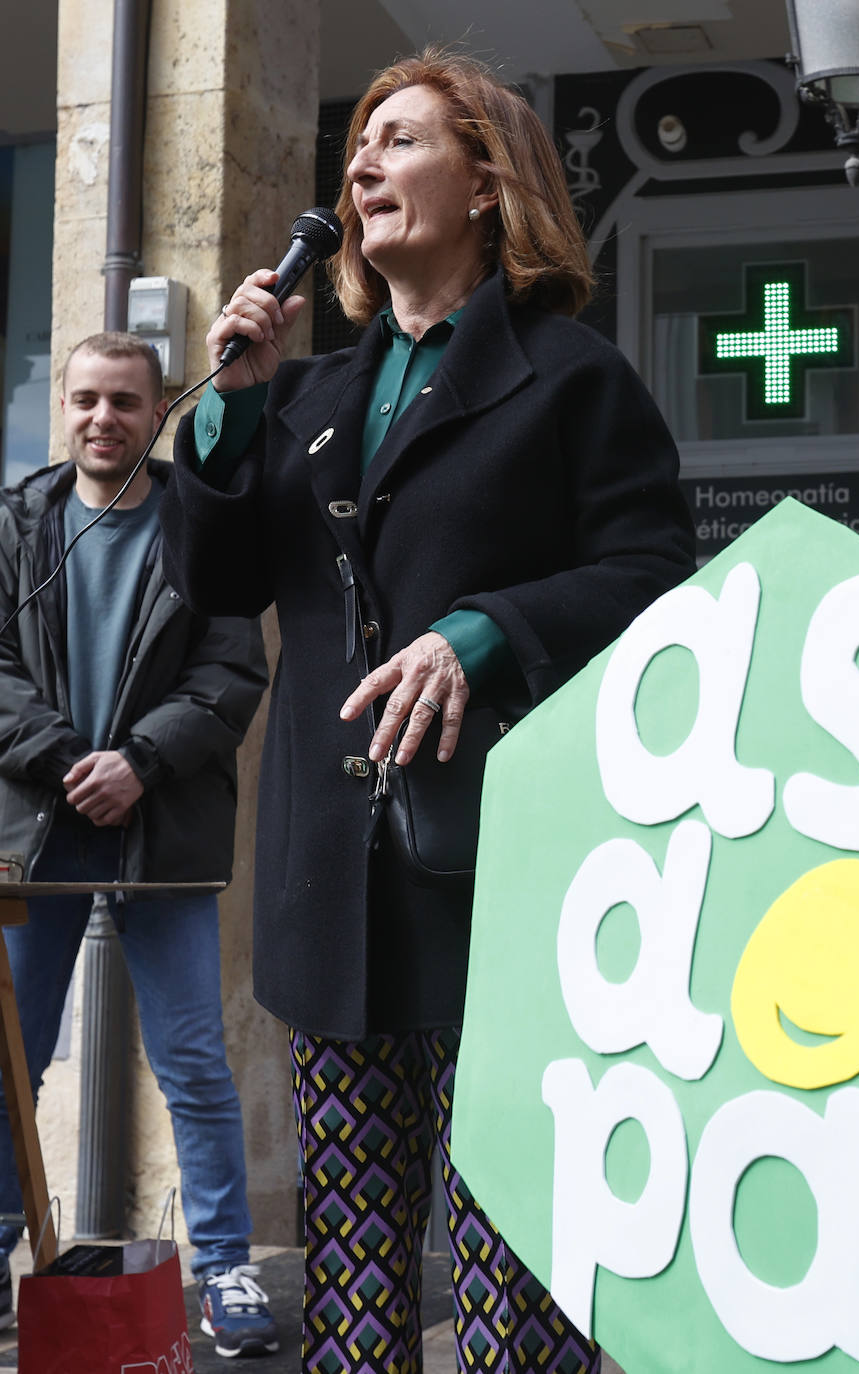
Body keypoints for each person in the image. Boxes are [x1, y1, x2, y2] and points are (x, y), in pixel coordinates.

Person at [159, 48, 695, 1374]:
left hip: (511, 868)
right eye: (359, 146)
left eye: (399, 140)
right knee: (349, 1272)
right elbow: (216, 581)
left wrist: (487, 632)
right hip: (329, 882)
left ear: (486, 179)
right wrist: (228, 408)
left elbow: (652, 577)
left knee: (512, 1246)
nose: (362, 163)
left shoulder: (575, 378)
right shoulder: (309, 395)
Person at [0, 332, 278, 1358]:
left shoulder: (200, 525)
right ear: (60, 408)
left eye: (125, 400)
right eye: (85, 399)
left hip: (161, 822)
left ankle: (225, 1267)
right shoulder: (17, 525)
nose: (102, 418)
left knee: (195, 1062)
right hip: (42, 824)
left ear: (157, 410)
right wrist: (69, 758)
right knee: (8, 1062)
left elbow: (231, 673)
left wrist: (139, 764)